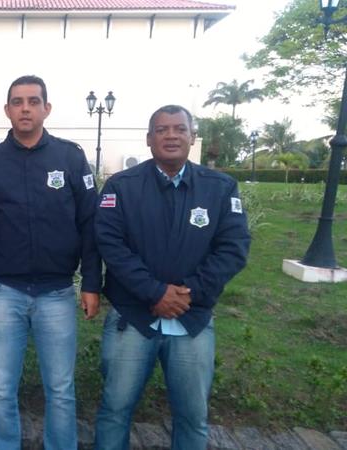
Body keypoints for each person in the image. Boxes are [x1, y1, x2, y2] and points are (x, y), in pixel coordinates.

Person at [0, 75, 102, 449]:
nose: (25, 109)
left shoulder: (70, 158)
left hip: (57, 293)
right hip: (5, 292)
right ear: (7, 110)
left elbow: (90, 224)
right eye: (18, 102)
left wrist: (91, 283)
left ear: (46, 109)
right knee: (2, 386)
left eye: (33, 102)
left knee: (61, 388)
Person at [93, 105, 250, 450]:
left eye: (179, 129)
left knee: (193, 417)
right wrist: (154, 293)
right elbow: (110, 244)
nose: (171, 135)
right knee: (115, 409)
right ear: (149, 139)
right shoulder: (121, 186)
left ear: (193, 137)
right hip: (133, 318)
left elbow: (234, 248)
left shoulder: (221, 188)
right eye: (162, 130)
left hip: (192, 318)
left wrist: (188, 292)